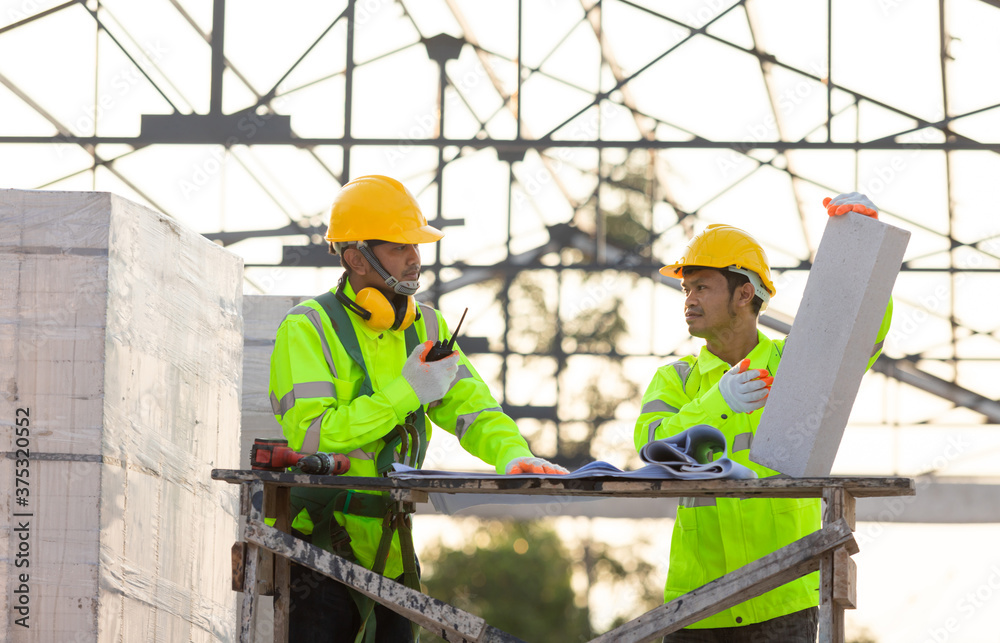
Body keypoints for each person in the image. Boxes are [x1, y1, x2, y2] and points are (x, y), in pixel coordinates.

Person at [268, 174, 566, 643]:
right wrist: (408, 391)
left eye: (416, 246)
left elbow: (474, 409)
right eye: (398, 248)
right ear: (354, 259)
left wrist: (512, 455)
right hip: (319, 550)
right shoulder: (308, 328)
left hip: (393, 549)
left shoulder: (427, 323)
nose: (415, 259)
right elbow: (313, 434)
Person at [634, 193, 892, 642]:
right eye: (686, 289)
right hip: (699, 603)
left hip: (784, 597)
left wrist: (863, 243)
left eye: (701, 287)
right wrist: (720, 402)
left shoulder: (796, 364)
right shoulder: (675, 380)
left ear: (744, 293)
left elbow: (860, 335)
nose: (688, 300)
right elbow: (655, 452)